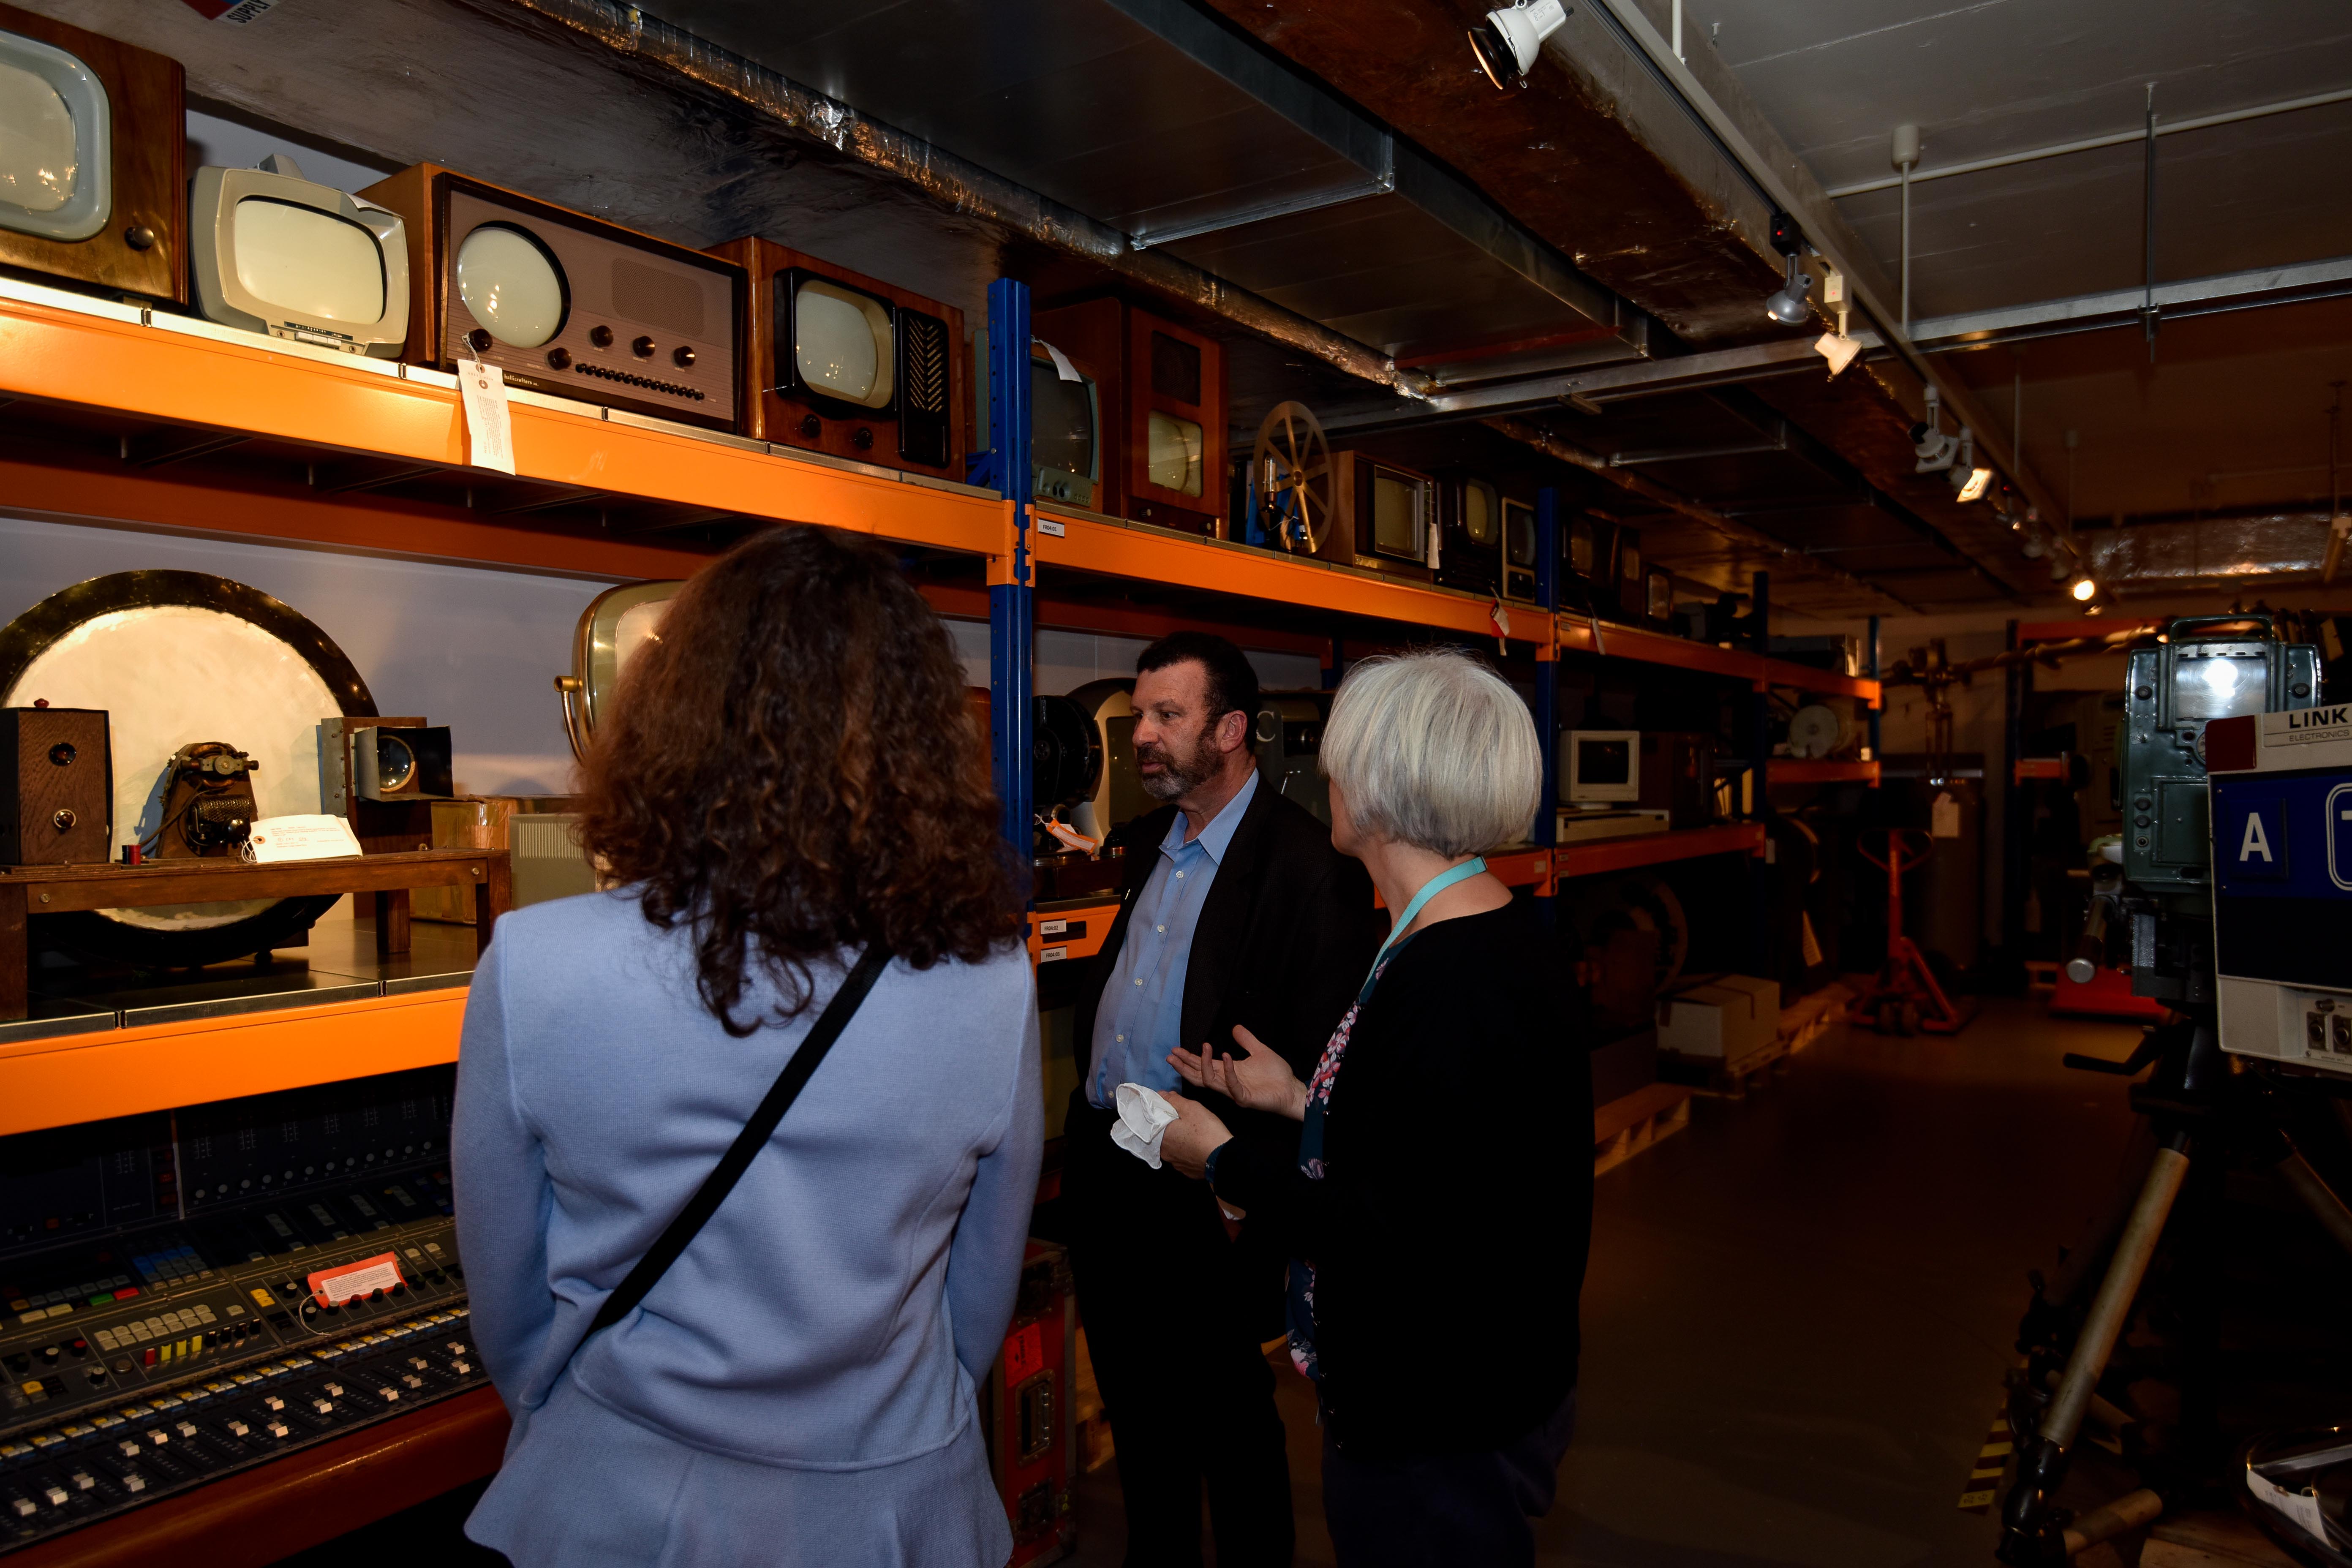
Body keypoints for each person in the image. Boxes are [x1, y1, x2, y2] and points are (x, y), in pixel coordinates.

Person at [452, 527, 1040, 1567]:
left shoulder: (534, 962)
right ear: (920, 734)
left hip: (618, 1490)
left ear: (674, 712)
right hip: (892, 1496)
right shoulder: (991, 980)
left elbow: (507, 1296)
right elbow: (979, 1295)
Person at [1160, 648, 1592, 1568]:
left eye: (1344, 757)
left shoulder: (1450, 981)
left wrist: (1221, 1159)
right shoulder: (1480, 934)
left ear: (1385, 781)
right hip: (1480, 1384)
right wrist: (1300, 1091)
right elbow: (1441, 1148)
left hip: (1438, 1412)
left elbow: (1386, 1229)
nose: (1330, 778)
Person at [1060, 630, 1381, 1568]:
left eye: (1168, 716)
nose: (1144, 736)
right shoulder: (1139, 841)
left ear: (1232, 728)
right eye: (1141, 715)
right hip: (1107, 1156)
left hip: (1206, 1180)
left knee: (1227, 1414)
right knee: (1134, 1397)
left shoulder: (1310, 869)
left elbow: (1321, 1070)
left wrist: (1252, 1194)